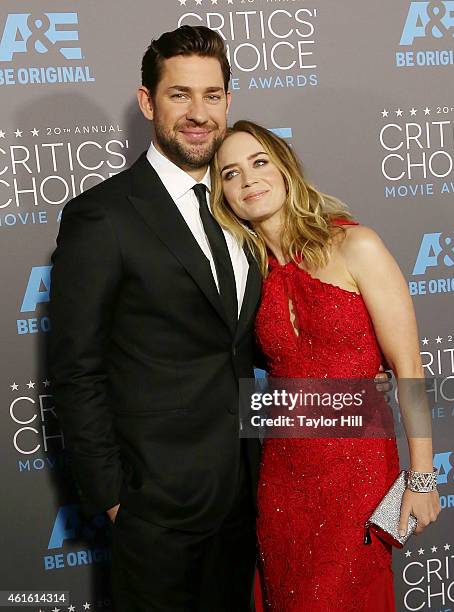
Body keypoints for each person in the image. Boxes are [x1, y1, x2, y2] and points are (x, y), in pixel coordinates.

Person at [49, 26, 263, 611]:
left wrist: (359, 401)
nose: (199, 113)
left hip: (245, 495)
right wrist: (116, 497)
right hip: (155, 509)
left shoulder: (246, 206)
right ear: (148, 101)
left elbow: (249, 340)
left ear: (228, 102)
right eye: (179, 95)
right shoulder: (102, 216)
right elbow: (76, 369)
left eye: (213, 95)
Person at [211, 120, 441, 611]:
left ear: (285, 168)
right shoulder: (246, 276)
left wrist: (422, 477)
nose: (248, 179)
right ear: (223, 195)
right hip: (283, 479)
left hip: (357, 476)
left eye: (259, 162)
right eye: (230, 173)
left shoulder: (357, 246)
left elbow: (409, 368)